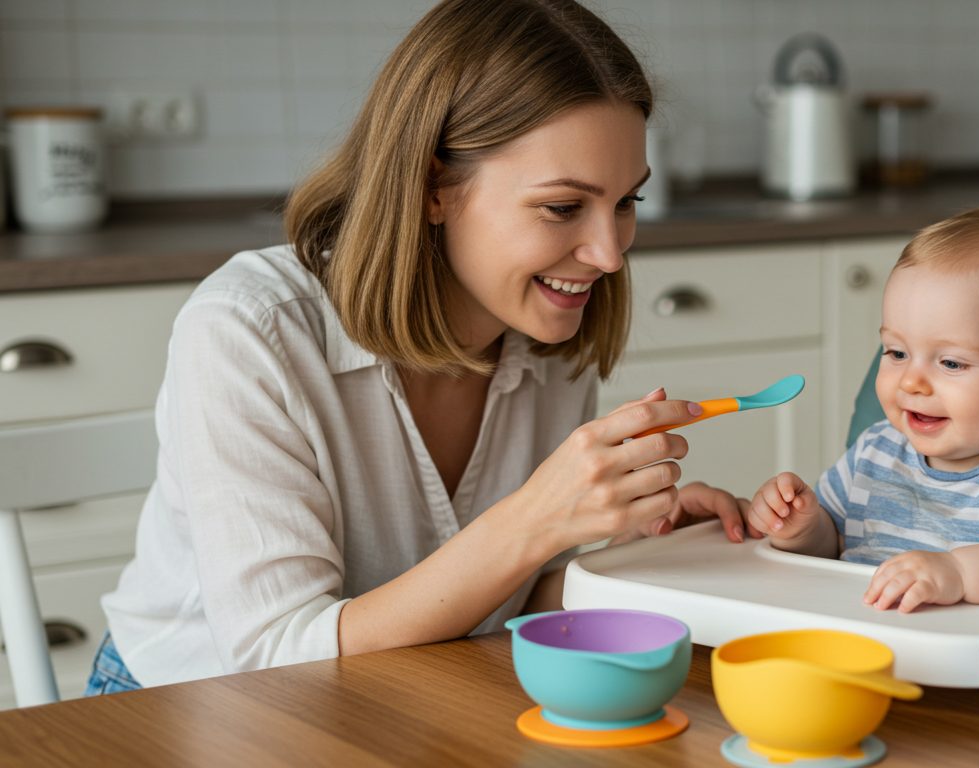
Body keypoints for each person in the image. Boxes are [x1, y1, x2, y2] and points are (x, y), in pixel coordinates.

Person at [89, 0, 747, 695]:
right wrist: (535, 520)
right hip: (183, 711)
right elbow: (278, 661)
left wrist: (625, 559)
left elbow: (492, 604)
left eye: (626, 203)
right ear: (435, 186)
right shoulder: (250, 329)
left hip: (401, 695)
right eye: (563, 207)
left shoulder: (548, 331)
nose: (609, 255)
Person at [745, 208, 979, 613]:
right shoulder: (875, 451)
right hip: (855, 639)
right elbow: (833, 543)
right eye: (897, 352)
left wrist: (959, 573)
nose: (911, 382)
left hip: (971, 662)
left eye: (951, 363)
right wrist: (799, 529)